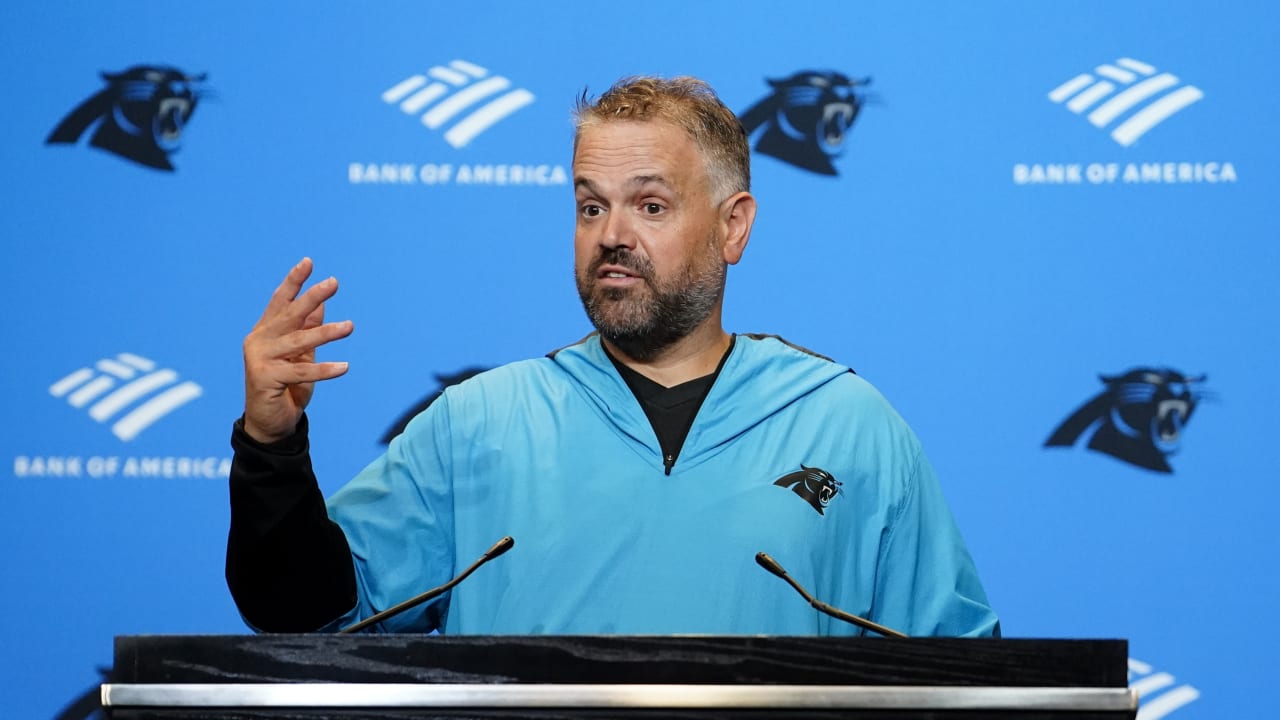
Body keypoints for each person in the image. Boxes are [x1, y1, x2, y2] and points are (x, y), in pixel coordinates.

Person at [226, 75, 999, 637]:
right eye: (590, 204)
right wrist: (271, 447)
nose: (611, 235)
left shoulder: (846, 425)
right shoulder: (480, 423)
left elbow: (963, 680)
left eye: (650, 205)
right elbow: (307, 618)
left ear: (734, 227)